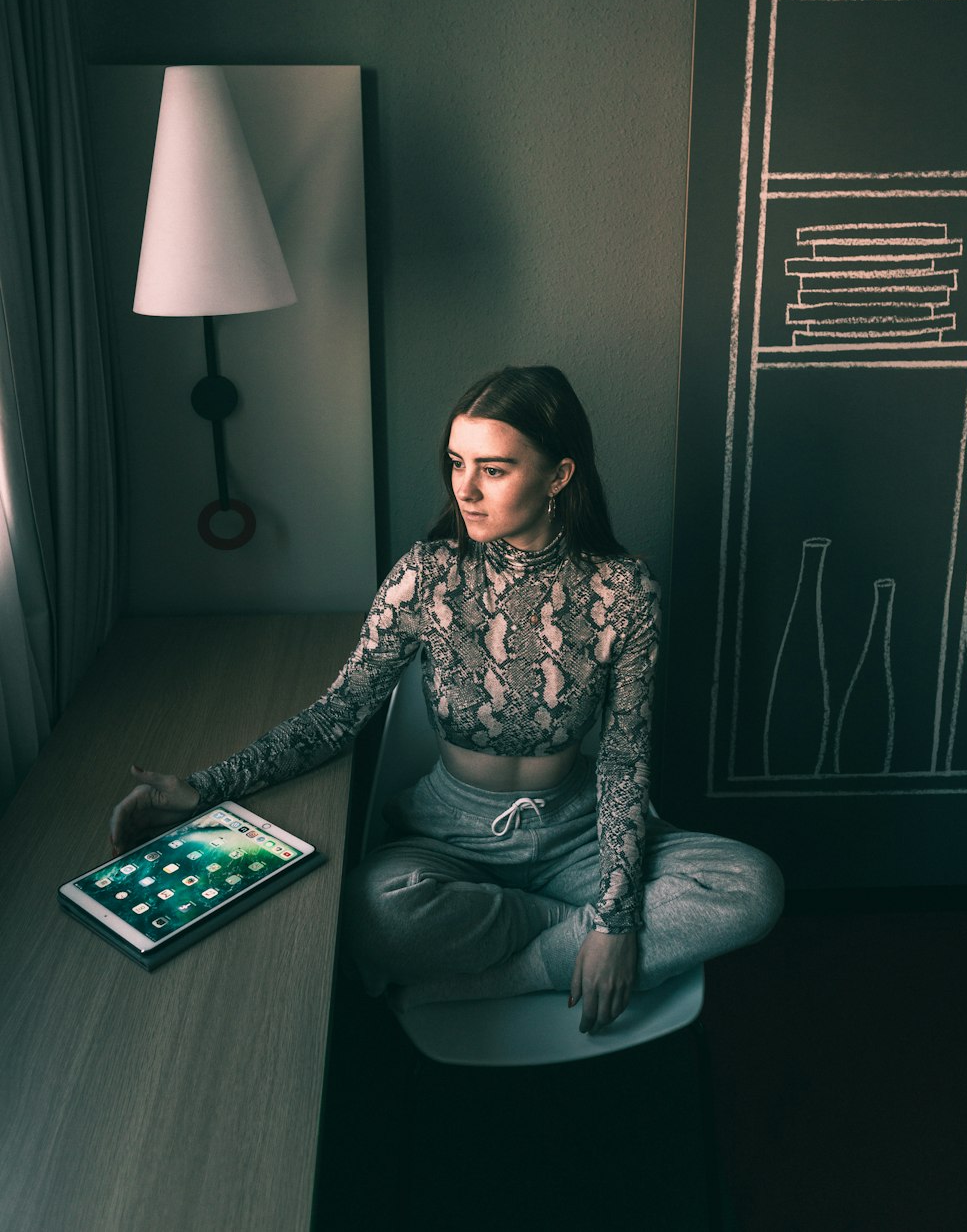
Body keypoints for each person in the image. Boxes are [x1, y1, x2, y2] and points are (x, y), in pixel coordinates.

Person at [110, 365, 783, 1033]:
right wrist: (204, 788)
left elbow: (624, 760)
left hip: (581, 830)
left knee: (751, 888)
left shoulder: (625, 591)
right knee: (375, 913)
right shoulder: (427, 576)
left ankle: (491, 979)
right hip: (451, 833)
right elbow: (339, 714)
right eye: (457, 463)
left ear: (559, 476)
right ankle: (585, 949)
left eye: (493, 469)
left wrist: (615, 912)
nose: (464, 488)